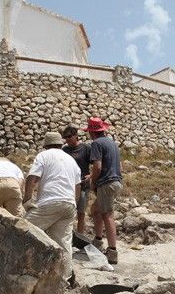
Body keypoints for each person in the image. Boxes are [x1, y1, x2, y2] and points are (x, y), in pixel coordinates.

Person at [24, 132, 81, 281]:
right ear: (61, 144)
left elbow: (32, 178)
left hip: (50, 202)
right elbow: (78, 186)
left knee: (22, 230)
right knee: (63, 242)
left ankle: (18, 270)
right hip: (69, 204)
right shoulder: (71, 160)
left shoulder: (44, 156)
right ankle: (66, 278)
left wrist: (27, 199)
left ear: (46, 146)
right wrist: (73, 203)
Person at [82, 117, 123, 264]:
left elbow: (98, 166)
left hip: (106, 183)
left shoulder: (96, 144)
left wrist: (93, 181)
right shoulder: (111, 143)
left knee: (107, 215)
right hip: (115, 181)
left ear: (92, 132)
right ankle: (98, 241)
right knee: (95, 210)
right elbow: (116, 165)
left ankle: (112, 251)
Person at [62, 125, 92, 233]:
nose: (67, 139)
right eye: (65, 137)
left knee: (81, 213)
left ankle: (80, 235)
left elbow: (96, 163)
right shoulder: (64, 150)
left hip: (82, 185)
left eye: (69, 136)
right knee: (67, 212)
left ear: (76, 136)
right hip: (68, 185)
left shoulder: (86, 148)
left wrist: (91, 175)